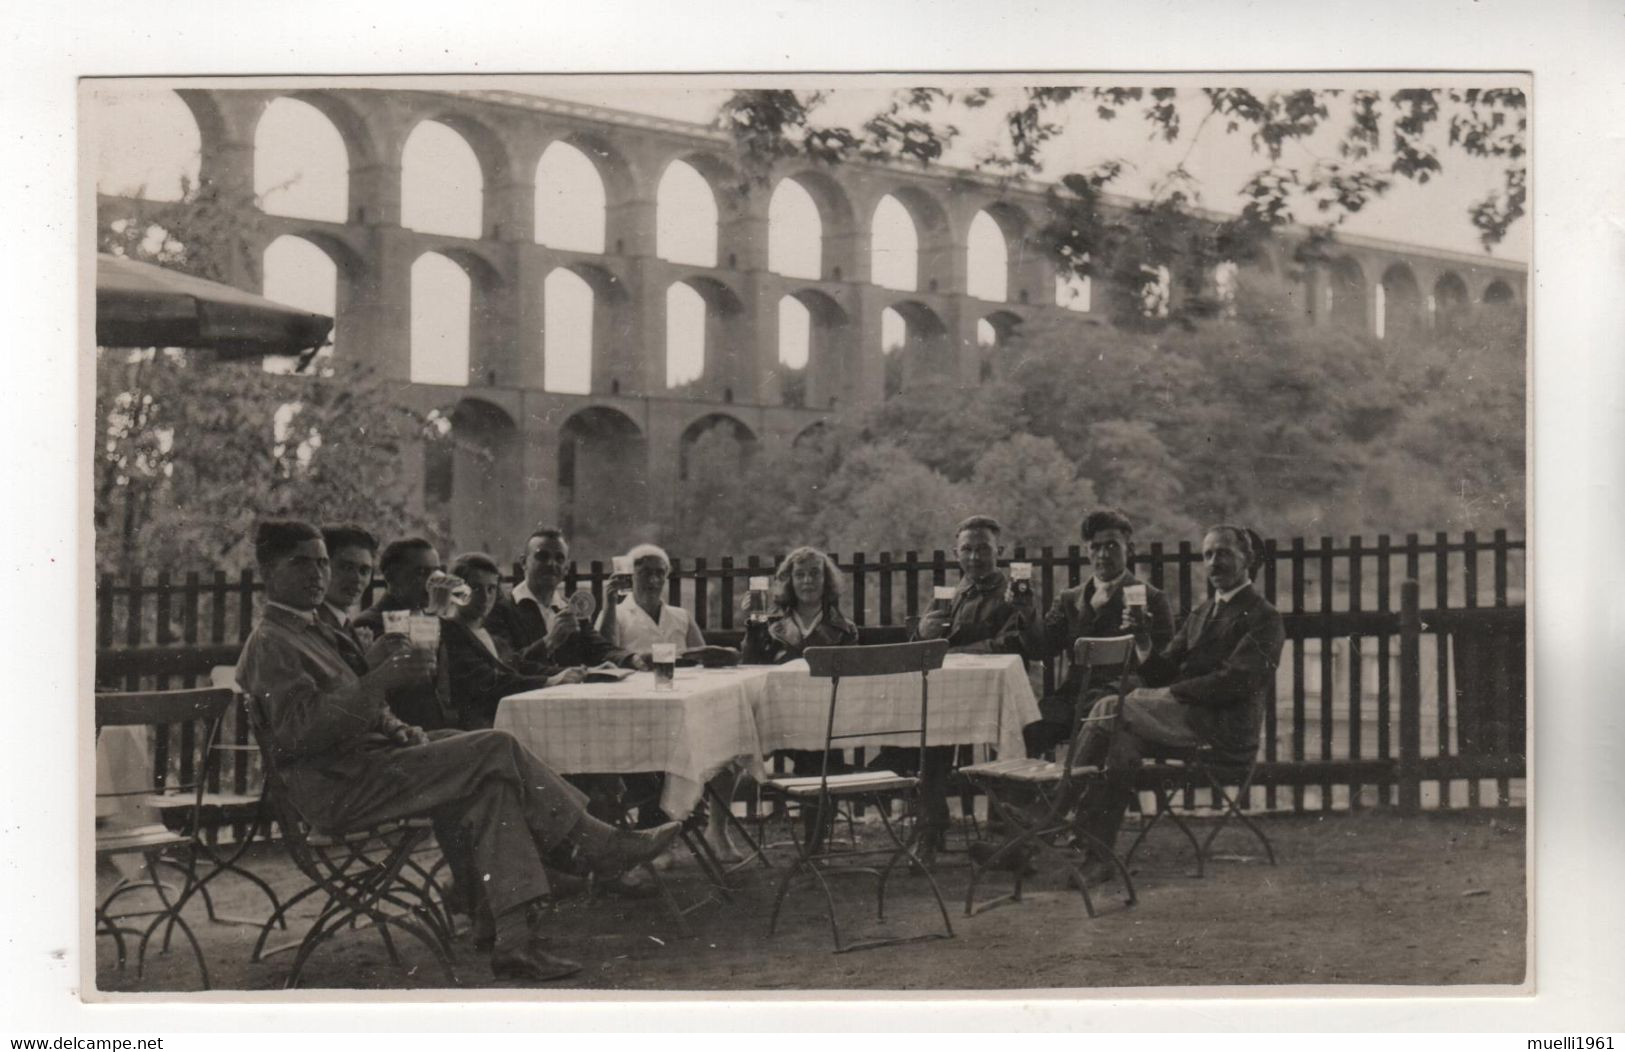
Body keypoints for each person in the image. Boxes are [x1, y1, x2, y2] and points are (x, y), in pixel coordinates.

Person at [235, 520, 681, 982]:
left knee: (491, 786)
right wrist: (379, 680)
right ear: (268, 570)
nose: (318, 574)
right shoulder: (273, 642)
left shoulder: (318, 630)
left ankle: (513, 941)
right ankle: (596, 842)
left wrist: (398, 726)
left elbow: (356, 703)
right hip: (338, 786)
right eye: (301, 563)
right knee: (495, 746)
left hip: (368, 765)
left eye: (322, 562)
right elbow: (302, 733)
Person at [1069, 524, 1285, 885]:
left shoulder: (1265, 618)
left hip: (1222, 732)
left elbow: (1236, 681)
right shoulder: (1202, 613)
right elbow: (1159, 673)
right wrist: (1142, 641)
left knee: (1110, 706)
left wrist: (1171, 693)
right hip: (1183, 724)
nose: (1214, 563)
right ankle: (1099, 855)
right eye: (1208, 555)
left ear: (1248, 559)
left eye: (1224, 554)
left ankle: (1051, 816)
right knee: (1120, 741)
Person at [1015, 509, 1176, 758]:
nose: (1102, 554)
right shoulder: (1070, 599)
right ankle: (1027, 797)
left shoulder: (1152, 599)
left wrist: (1143, 639)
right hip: (1072, 699)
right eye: (1095, 547)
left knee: (1101, 741)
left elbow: (1163, 670)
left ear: (1129, 549)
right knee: (1027, 731)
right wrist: (1026, 613)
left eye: (1112, 545)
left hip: (1121, 699)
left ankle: (1070, 793)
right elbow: (1042, 649)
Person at [440, 552, 586, 730]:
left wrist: (581, 672)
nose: (486, 598)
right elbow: (489, 681)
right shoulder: (448, 631)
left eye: (491, 589)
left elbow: (519, 664)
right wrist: (550, 681)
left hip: (505, 720)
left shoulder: (487, 633)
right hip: (476, 727)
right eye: (476, 588)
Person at [348, 536, 456, 731]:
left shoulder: (434, 617)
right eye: (422, 573)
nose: (434, 582)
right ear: (392, 578)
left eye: (437, 573)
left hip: (441, 726)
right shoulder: (371, 622)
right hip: (404, 734)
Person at [485, 527, 629, 670]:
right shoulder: (499, 609)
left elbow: (599, 650)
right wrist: (549, 641)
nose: (551, 564)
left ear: (566, 568)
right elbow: (505, 664)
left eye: (559, 558)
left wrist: (635, 659)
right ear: (523, 562)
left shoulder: (570, 608)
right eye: (542, 556)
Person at [912, 515, 1028, 655]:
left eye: (983, 549)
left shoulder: (1015, 596)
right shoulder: (947, 598)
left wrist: (949, 653)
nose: (974, 557)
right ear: (956, 554)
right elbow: (916, 655)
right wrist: (921, 635)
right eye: (966, 549)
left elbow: (1009, 645)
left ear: (999, 551)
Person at [598, 544, 706, 659]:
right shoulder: (615, 615)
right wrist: (610, 603)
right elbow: (606, 655)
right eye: (645, 573)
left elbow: (704, 657)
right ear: (630, 577)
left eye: (660, 573)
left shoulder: (682, 616)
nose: (653, 580)